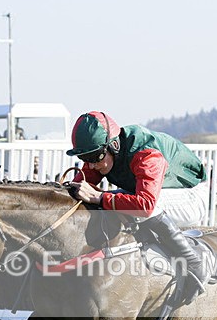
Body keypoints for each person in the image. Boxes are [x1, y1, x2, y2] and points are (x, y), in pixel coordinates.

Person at [66, 111, 209, 305]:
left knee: (121, 201)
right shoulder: (101, 156)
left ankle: (193, 263)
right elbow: (80, 188)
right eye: (85, 158)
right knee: (111, 199)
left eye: (95, 157)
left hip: (191, 196)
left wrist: (99, 196)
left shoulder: (146, 154)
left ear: (114, 145)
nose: (91, 165)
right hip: (159, 194)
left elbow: (145, 205)